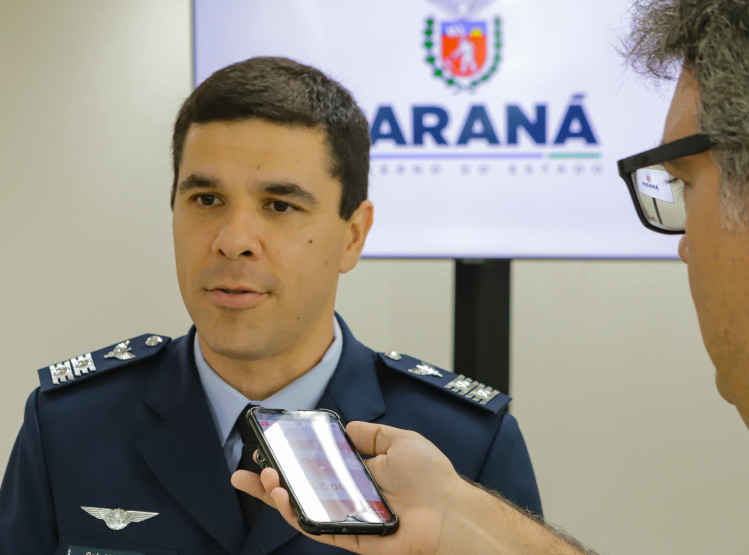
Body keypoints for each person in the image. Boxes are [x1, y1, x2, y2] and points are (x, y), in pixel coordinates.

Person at [233, 1, 749, 553]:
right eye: (205, 198)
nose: (684, 245)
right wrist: (462, 523)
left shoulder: (471, 432)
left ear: (354, 231)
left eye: (684, 185)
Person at [0, 56, 542, 554]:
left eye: (278, 205)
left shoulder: (462, 448)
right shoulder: (70, 427)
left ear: (352, 236)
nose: (233, 239)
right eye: (206, 199)